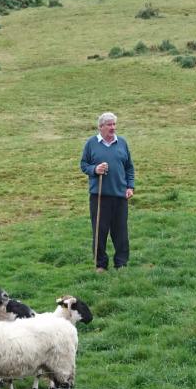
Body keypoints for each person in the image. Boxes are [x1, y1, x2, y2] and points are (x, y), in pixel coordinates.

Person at [79, 111, 134, 272]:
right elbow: (84, 165)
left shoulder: (122, 143)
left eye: (114, 124)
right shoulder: (91, 144)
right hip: (99, 195)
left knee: (121, 232)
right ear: (100, 127)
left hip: (120, 195)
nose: (113, 127)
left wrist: (130, 186)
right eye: (109, 125)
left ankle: (121, 263)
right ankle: (101, 264)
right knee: (100, 231)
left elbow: (129, 167)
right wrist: (95, 169)